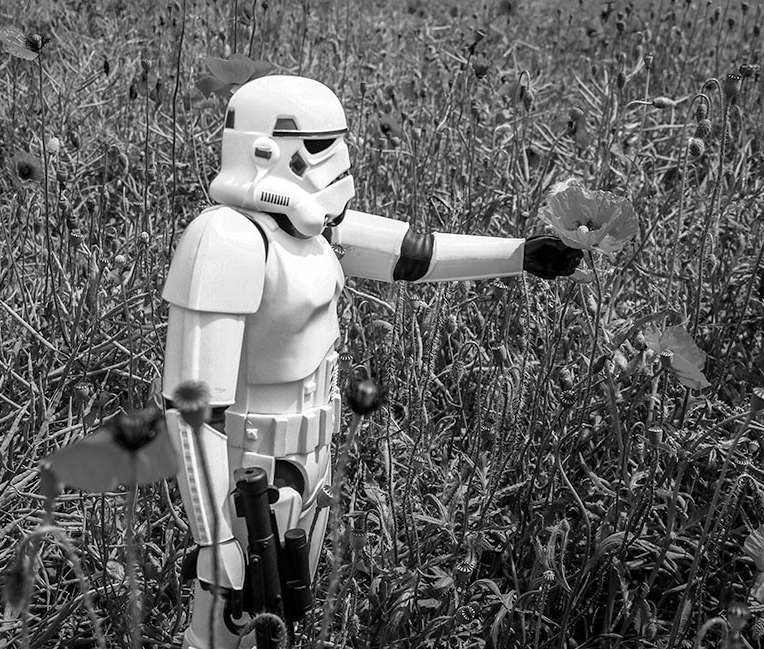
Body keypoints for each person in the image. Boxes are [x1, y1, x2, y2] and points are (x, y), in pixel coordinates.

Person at [161, 74, 582, 649]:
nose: (337, 160)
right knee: (226, 628)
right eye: (318, 145)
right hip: (250, 468)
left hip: (312, 457)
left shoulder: (313, 232)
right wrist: (215, 539)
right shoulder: (227, 239)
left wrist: (523, 255)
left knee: (286, 618)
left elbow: (416, 255)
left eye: (337, 141)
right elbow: (192, 409)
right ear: (265, 150)